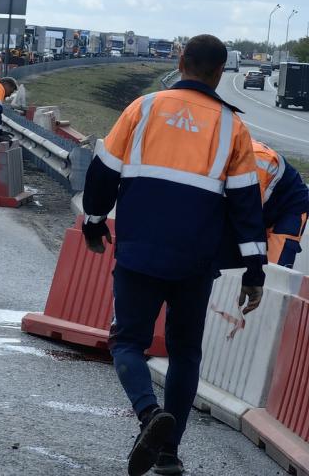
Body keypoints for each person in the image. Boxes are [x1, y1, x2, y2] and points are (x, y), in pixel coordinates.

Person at [81, 34, 266, 476]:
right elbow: (246, 205)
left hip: (139, 251)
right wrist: (254, 271)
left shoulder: (142, 109)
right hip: (195, 262)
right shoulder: (233, 128)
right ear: (221, 73)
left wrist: (93, 222)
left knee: (127, 342)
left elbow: (103, 172)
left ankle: (149, 416)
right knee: (185, 353)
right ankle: (168, 453)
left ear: (180, 61)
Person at [221, 139, 309, 268]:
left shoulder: (254, 160)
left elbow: (246, 217)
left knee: (274, 270)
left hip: (289, 209)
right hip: (262, 202)